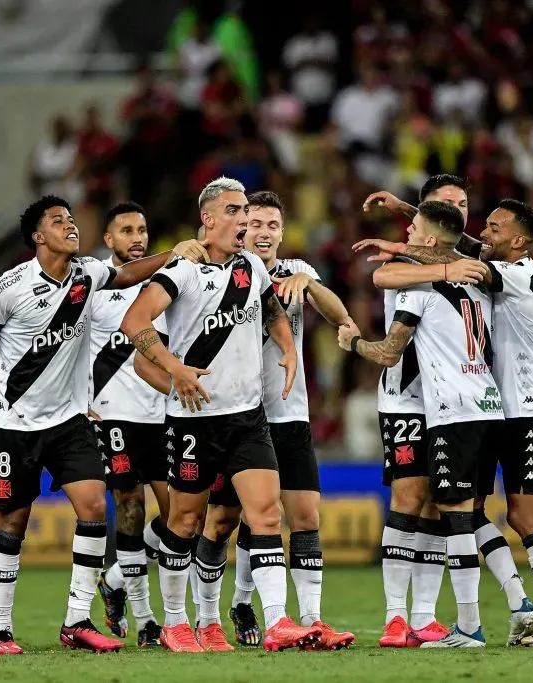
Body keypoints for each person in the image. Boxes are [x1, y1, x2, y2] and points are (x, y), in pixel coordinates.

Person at [0, 195, 207, 655]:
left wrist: (174, 254)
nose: (71, 227)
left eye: (72, 221)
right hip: (14, 424)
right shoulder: (8, 287)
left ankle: (76, 620)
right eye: (59, 221)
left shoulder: (88, 275)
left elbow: (131, 273)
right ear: (39, 236)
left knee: (94, 506)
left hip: (71, 421)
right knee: (12, 522)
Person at [361, 175, 533, 643]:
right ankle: (522, 605)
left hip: (526, 408)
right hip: (496, 409)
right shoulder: (500, 266)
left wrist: (401, 245)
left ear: (517, 240)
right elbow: (457, 249)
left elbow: (448, 256)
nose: (482, 233)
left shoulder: (499, 272)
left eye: (491, 227)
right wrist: (407, 213)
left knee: (526, 515)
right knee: (480, 511)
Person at [121, 177, 321, 653]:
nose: (244, 221)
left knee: (267, 514)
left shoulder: (251, 266)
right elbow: (135, 322)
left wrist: (289, 349)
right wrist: (174, 369)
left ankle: (277, 623)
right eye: (234, 211)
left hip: (247, 418)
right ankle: (176, 622)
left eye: (246, 211)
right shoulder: (182, 271)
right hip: (193, 420)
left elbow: (273, 309)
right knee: (185, 522)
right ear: (208, 219)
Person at [192, 190, 356, 650]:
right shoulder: (221, 270)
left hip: (288, 413)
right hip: (235, 414)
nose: (262, 232)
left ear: (283, 232)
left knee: (302, 515)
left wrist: (310, 282)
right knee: (222, 521)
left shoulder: (295, 273)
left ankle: (310, 620)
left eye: (272, 225)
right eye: (255, 223)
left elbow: (340, 316)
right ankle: (208, 616)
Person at [340, 200, 495, 648]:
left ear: (431, 237)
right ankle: (395, 616)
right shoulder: (412, 268)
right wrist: (437, 264)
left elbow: (461, 246)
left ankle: (424, 616)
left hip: (447, 402)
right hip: (407, 398)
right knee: (409, 496)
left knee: (436, 504)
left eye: (413, 224)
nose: (405, 229)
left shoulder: (464, 267)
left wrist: (352, 343)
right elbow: (380, 276)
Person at [88, 202, 169, 648]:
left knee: (180, 516)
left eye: (142, 229)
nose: (136, 237)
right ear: (109, 239)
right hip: (111, 413)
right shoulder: (95, 283)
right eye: (126, 230)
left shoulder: (165, 284)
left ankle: (115, 579)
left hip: (161, 412)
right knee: (131, 506)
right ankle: (146, 619)